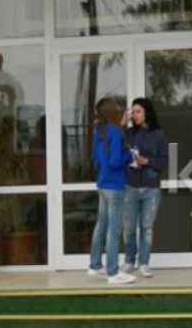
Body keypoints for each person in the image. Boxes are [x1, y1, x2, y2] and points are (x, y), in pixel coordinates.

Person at [88, 98, 136, 285]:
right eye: (117, 108)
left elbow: (96, 158)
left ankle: (94, 266)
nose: (120, 110)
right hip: (115, 186)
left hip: (103, 184)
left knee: (101, 225)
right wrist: (130, 155)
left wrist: (121, 126)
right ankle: (113, 273)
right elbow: (116, 161)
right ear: (112, 111)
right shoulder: (114, 131)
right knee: (113, 230)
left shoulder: (100, 130)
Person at [122, 97, 168, 278]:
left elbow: (164, 161)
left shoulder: (158, 134)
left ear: (147, 112)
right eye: (133, 111)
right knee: (129, 228)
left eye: (138, 111)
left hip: (151, 188)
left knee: (146, 228)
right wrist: (122, 125)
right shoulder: (128, 133)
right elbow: (116, 147)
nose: (135, 115)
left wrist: (147, 161)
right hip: (130, 186)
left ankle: (143, 264)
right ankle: (129, 261)